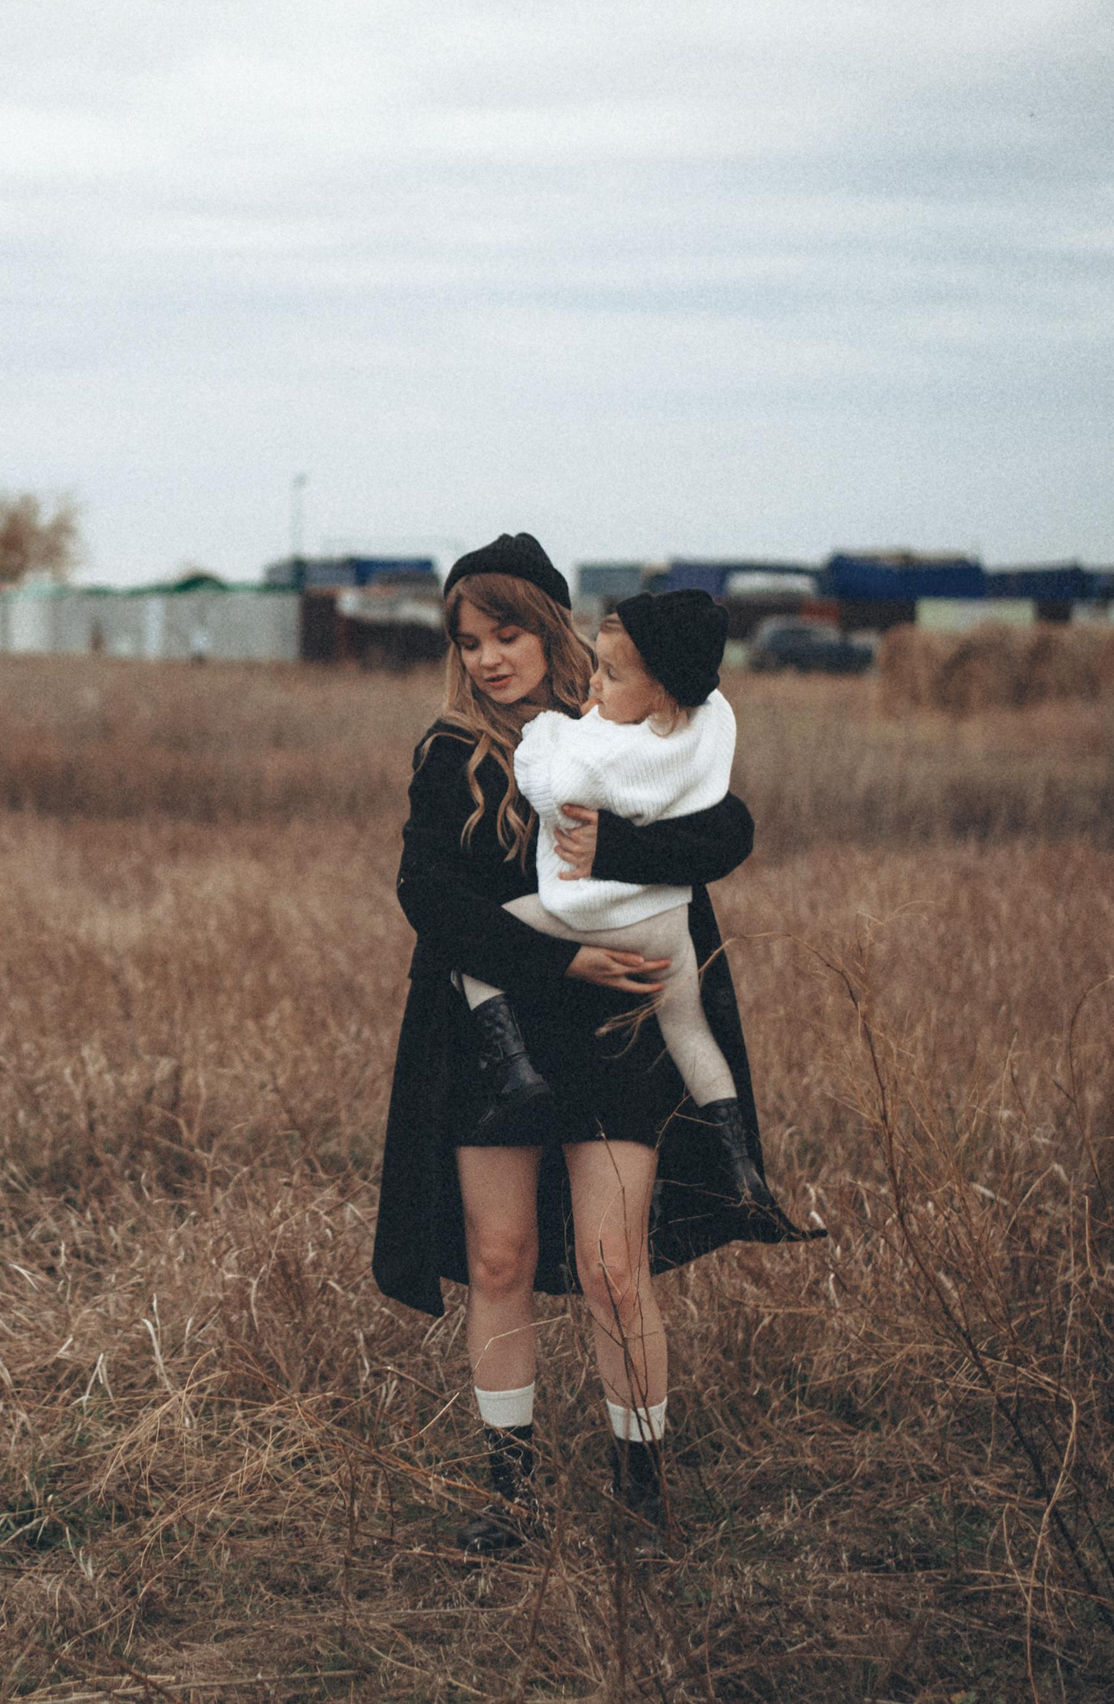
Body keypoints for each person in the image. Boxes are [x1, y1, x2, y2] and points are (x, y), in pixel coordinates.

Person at [372, 534, 818, 1560]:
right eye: (468, 640)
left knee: (616, 1270)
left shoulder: (627, 722)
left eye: (509, 631)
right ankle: (511, 1494)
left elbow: (725, 834)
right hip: (498, 1038)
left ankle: (641, 1500)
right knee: (499, 1257)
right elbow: (426, 899)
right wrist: (559, 965)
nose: (488, 657)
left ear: (551, 624)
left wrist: (613, 850)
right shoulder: (450, 753)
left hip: (621, 1035)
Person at [458, 589, 777, 1210]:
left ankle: (514, 1070)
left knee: (485, 944)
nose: (597, 685)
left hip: (601, 917)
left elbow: (555, 788)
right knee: (690, 1030)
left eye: (610, 673)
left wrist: (549, 731)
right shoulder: (702, 727)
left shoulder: (606, 748)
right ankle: (739, 1169)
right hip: (668, 926)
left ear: (657, 689)